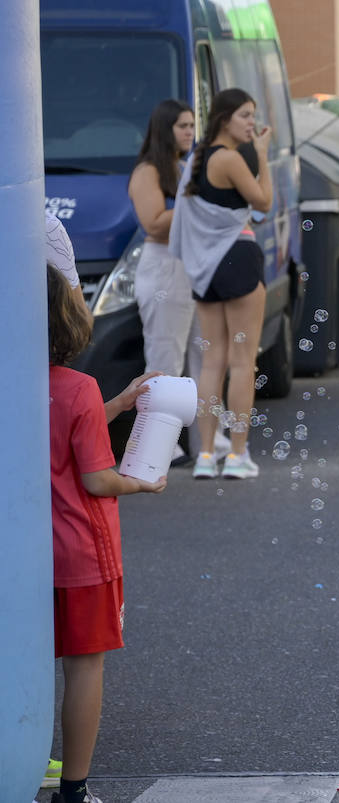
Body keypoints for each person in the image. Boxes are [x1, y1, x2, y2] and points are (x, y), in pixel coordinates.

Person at [46, 262, 166, 803]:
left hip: (24, 555)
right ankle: (74, 789)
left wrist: (112, 405)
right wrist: (143, 483)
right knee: (84, 666)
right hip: (80, 556)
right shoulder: (77, 389)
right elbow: (97, 479)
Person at [169, 88, 272, 481]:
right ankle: (238, 455)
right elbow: (263, 202)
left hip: (205, 270)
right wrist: (262, 154)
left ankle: (207, 455)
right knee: (243, 362)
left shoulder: (197, 158)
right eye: (245, 115)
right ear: (224, 118)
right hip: (238, 259)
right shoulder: (229, 158)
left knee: (212, 362)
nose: (251, 122)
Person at [128, 99, 230, 464]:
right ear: (164, 129)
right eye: (182, 126)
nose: (190, 132)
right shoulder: (147, 171)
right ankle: (159, 446)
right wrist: (195, 203)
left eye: (192, 125)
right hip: (163, 269)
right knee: (164, 358)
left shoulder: (183, 167)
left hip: (191, 268)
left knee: (204, 355)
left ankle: (210, 442)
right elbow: (153, 223)